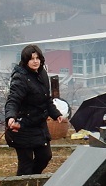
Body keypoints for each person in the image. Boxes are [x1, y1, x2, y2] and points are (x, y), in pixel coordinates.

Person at [4, 44, 66, 175]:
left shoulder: (42, 73)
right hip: (21, 126)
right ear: (25, 60)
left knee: (45, 156)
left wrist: (55, 114)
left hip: (38, 125)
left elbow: (46, 98)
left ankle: (32, 181)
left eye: (37, 58)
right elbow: (13, 100)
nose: (35, 61)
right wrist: (10, 117)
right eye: (32, 59)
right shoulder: (20, 78)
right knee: (25, 164)